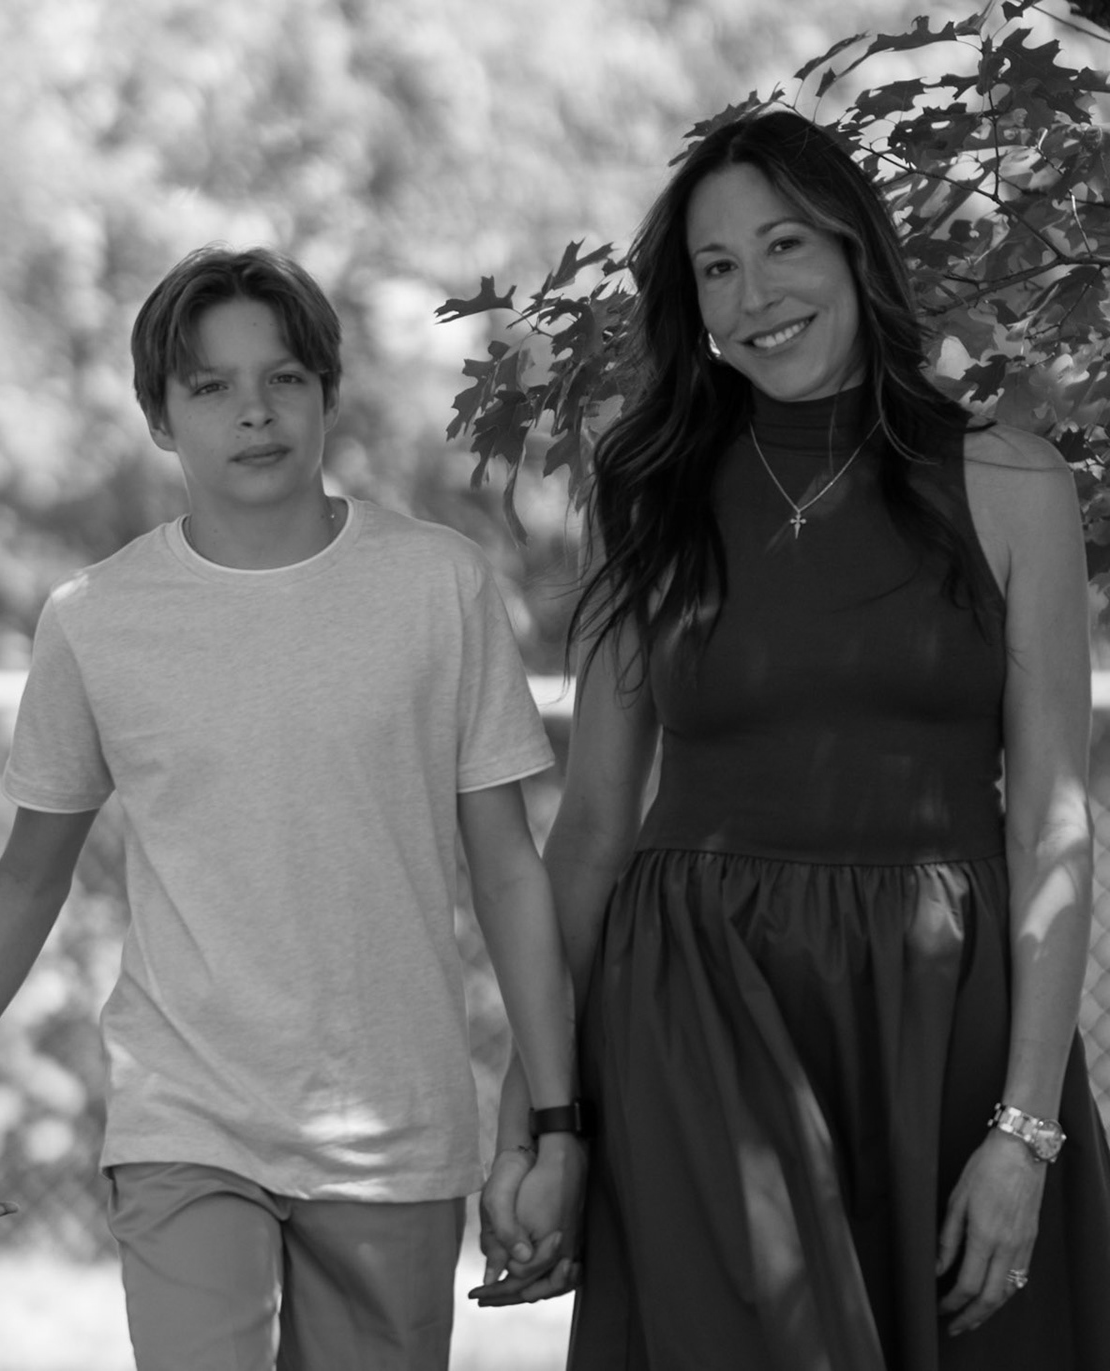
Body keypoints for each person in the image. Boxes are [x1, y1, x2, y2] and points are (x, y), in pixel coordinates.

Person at [478, 109, 1110, 1370]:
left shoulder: (1012, 481)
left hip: (946, 1020)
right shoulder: (646, 491)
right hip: (697, 1016)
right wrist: (539, 1123)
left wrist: (1024, 1133)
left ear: (855, 249)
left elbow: (1052, 822)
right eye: (717, 267)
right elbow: (590, 832)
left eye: (784, 246)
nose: (754, 294)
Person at [0, 244, 586, 1369]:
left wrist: (556, 1122)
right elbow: (28, 876)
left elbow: (507, 870)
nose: (255, 412)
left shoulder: (436, 584)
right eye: (210, 387)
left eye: (284, 379)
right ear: (160, 418)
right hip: (185, 1117)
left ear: (326, 393)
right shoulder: (96, 618)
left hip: (393, 1126)